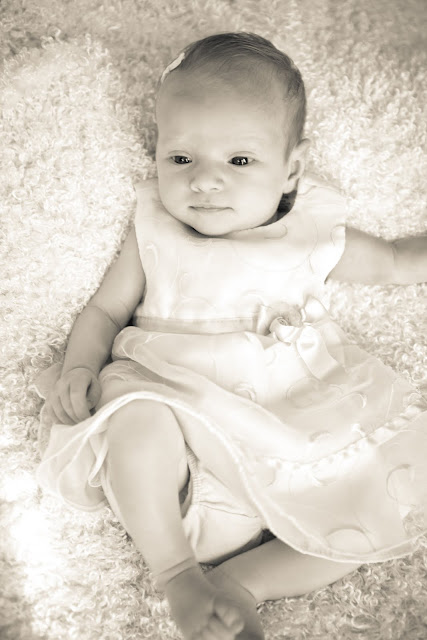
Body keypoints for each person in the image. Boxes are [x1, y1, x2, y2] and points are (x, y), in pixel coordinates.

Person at [34, 32, 427, 640]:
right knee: (135, 418)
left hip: (291, 427)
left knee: (372, 512)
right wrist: (79, 367)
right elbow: (106, 310)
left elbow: (399, 262)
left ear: (291, 170)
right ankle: (176, 573)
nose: (206, 182)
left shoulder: (311, 232)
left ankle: (247, 584)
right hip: (179, 441)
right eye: (181, 159)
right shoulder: (155, 228)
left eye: (239, 162)